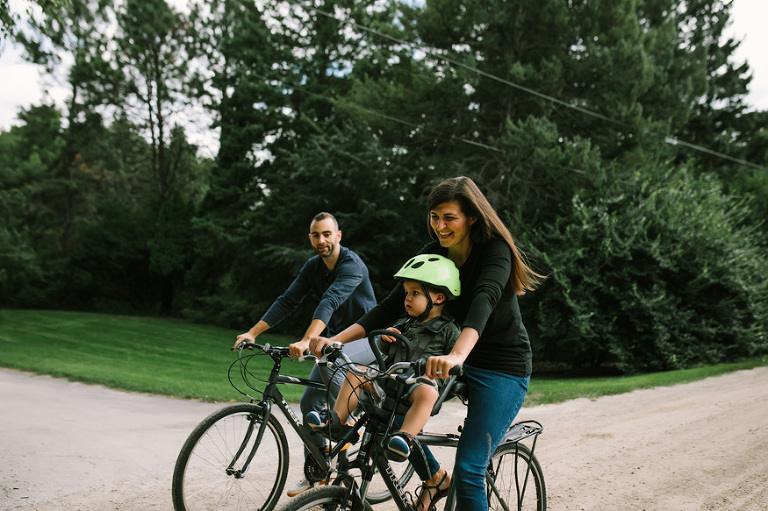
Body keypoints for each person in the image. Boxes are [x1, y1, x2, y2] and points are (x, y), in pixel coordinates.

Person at [310, 177, 544, 511]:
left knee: (470, 468)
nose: (440, 226)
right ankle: (435, 480)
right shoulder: (432, 253)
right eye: (435, 217)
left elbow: (484, 300)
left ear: (472, 217)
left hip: (501, 368)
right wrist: (335, 340)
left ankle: (454, 480)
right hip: (448, 358)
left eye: (449, 217)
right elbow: (387, 307)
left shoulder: (495, 251)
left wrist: (457, 354)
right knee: (388, 416)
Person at [234, 211, 378, 497]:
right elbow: (287, 300)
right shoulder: (313, 267)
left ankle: (356, 412)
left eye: (327, 234)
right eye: (316, 235)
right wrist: (253, 332)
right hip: (334, 340)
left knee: (325, 357)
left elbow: (331, 299)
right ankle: (318, 472)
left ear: (338, 236)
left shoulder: (352, 265)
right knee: (310, 402)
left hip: (367, 338)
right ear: (310, 238)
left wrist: (307, 339)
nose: (322, 240)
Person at [306, 254, 461, 483]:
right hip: (390, 380)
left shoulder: (449, 330)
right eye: (407, 293)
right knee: (356, 371)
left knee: (427, 390)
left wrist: (442, 369)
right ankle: (337, 422)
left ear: (438, 297)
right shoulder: (403, 323)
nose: (407, 298)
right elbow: (379, 348)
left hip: (420, 385)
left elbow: (456, 361)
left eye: (415, 293)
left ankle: (404, 438)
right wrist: (385, 339)